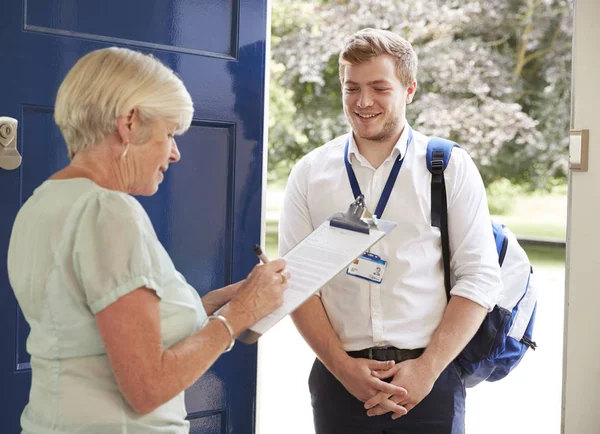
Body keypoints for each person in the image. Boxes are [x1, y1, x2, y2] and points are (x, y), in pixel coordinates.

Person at [7, 47, 289, 434]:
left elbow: (93, 332)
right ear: (129, 122)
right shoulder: (109, 212)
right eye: (170, 133)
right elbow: (147, 388)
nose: (174, 154)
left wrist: (223, 305)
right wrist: (237, 316)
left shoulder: (40, 205)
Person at [279, 28, 502, 434]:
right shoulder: (310, 173)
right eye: (352, 88)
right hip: (339, 379)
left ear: (409, 89)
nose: (363, 102)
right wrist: (343, 368)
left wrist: (427, 369)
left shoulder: (448, 167)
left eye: (379, 88)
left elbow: (480, 277)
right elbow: (298, 283)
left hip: (429, 378)